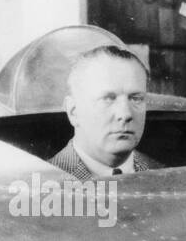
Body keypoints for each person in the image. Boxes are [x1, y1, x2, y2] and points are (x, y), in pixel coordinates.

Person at [49, 46, 159, 178]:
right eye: (107, 99)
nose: (125, 114)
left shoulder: (166, 176)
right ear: (74, 111)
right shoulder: (40, 186)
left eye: (136, 99)